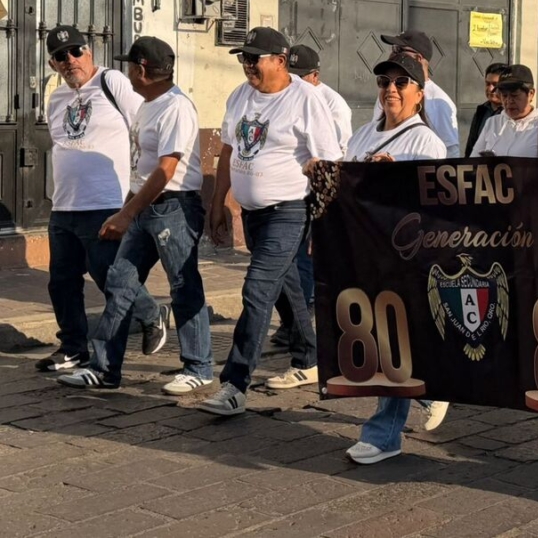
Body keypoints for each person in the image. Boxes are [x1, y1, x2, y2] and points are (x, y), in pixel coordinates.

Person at [57, 37, 214, 394]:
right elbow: (142, 168)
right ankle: (104, 368)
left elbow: (166, 170)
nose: (127, 72)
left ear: (141, 69)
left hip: (173, 207)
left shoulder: (176, 107)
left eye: (130, 65)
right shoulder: (148, 104)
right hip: (144, 206)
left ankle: (199, 366)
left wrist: (128, 212)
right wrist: (126, 209)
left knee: (183, 285)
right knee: (120, 282)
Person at [198, 28, 342, 417]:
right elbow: (228, 149)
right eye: (243, 58)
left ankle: (234, 383)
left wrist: (324, 222)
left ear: (280, 60)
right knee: (285, 287)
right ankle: (310, 356)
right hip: (253, 213)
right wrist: (218, 202)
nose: (247, 66)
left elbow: (327, 162)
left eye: (254, 58)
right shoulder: (241, 95)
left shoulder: (305, 99)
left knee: (257, 289)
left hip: (289, 210)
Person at [336, 52, 450, 464]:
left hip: (405, 256)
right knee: (389, 339)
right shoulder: (364, 134)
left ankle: (385, 433)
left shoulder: (427, 142)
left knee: (392, 340)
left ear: (419, 94)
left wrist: (397, 175)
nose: (391, 90)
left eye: (402, 83)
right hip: (364, 249)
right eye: (384, 82)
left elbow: (438, 205)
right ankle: (432, 388)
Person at [38, 25, 166, 373]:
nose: (70, 60)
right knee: (62, 282)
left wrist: (138, 189)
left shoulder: (113, 83)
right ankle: (73, 348)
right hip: (64, 206)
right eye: (61, 56)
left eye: (76, 51)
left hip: (106, 202)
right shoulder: (56, 98)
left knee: (108, 273)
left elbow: (144, 128)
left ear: (89, 51)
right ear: (53, 63)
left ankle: (151, 313)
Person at [269, 44, 352, 347]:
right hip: (288, 192)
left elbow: (336, 154)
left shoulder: (333, 105)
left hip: (317, 192)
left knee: (303, 261)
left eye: (301, 76)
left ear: (315, 76)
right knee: (285, 263)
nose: (295, 81)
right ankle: (293, 321)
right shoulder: (287, 95)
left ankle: (298, 324)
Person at [372, 30, 460, 157]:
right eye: (393, 49)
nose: (392, 54)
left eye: (399, 50)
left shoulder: (438, 101)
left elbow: (451, 152)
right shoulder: (389, 90)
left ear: (418, 59)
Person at [471, 64, 538, 157]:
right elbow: (473, 161)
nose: (509, 101)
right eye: (504, 96)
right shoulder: (492, 123)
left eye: (515, 95)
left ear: (531, 94)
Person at [464, 62, 507, 156]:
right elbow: (471, 145)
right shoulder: (481, 110)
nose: (490, 89)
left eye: (495, 84)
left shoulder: (510, 114)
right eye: (488, 84)